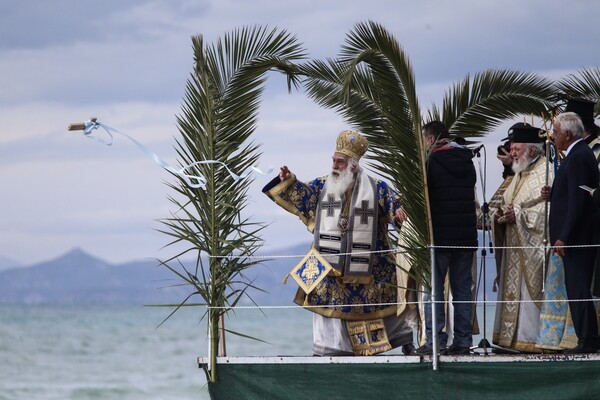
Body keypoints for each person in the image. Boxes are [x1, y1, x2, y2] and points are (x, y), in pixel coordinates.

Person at [262, 130, 414, 356]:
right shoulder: (323, 185)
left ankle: (406, 340)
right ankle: (328, 351)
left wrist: (399, 211)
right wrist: (289, 181)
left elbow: (393, 203)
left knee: (389, 291)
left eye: (340, 162)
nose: (334, 165)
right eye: (333, 160)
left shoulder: (375, 187)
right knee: (321, 295)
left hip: (367, 265)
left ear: (352, 165)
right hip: (331, 265)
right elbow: (304, 195)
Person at [414, 121, 477, 356]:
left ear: (430, 140)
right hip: (465, 237)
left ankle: (435, 342)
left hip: (439, 238)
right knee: (462, 291)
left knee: (434, 291)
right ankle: (463, 341)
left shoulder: (431, 163)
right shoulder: (467, 162)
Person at [541, 112, 600, 353]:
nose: (552, 136)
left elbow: (577, 203)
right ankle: (587, 339)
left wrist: (564, 236)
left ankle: (588, 341)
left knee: (578, 289)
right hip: (579, 235)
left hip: (577, 238)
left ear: (567, 134)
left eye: (555, 132)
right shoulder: (578, 154)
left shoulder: (577, 157)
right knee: (577, 288)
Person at [492, 123, 550, 352]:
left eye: (516, 149)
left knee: (527, 297)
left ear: (532, 150)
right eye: (512, 148)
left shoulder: (547, 172)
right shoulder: (519, 173)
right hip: (514, 246)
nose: (512, 153)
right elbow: (507, 202)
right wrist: (499, 214)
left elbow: (549, 210)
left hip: (531, 248)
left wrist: (518, 214)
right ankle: (510, 340)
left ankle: (530, 339)